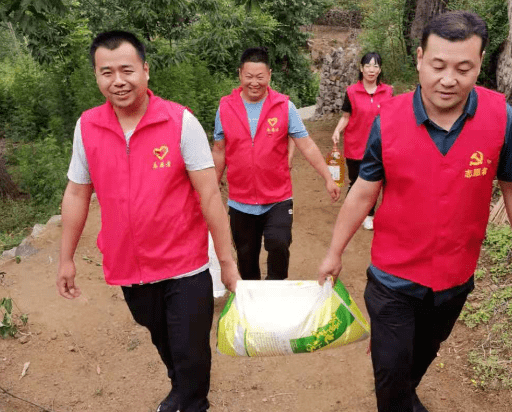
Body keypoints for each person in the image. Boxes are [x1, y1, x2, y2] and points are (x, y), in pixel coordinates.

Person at [318, 11, 512, 412]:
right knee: (390, 377)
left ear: (479, 66)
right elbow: (364, 191)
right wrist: (334, 252)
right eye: (438, 65)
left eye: (463, 68)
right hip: (393, 279)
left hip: (455, 277)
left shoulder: (500, 117)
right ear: (420, 59)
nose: (448, 78)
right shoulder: (389, 120)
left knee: (417, 361)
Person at [56, 31, 241, 412]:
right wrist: (65, 258)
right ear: (97, 76)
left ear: (145, 70)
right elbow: (77, 193)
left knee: (190, 350)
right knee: (164, 340)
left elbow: (209, 195)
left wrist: (226, 263)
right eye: (107, 72)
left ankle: (188, 400)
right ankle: (185, 390)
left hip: (184, 264)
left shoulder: (179, 122)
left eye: (127, 70)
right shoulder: (87, 127)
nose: (118, 81)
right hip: (129, 267)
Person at [212, 47, 341, 281]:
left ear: (269, 75)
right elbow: (219, 151)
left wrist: (328, 177)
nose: (254, 83)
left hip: (278, 198)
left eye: (260, 77)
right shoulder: (225, 107)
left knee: (279, 246)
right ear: (240, 74)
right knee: (246, 258)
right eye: (249, 77)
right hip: (240, 202)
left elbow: (307, 144)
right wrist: (211, 189)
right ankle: (254, 308)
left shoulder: (284, 106)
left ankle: (276, 293)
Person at [331, 52, 393, 230]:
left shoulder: (388, 92)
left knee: (377, 181)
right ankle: (353, 213)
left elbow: (392, 117)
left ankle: (369, 214)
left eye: (375, 66)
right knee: (356, 181)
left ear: (380, 70)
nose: (371, 70)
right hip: (355, 145)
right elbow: (345, 117)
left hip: (380, 146)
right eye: (368, 66)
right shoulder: (351, 91)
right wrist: (337, 130)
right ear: (361, 68)